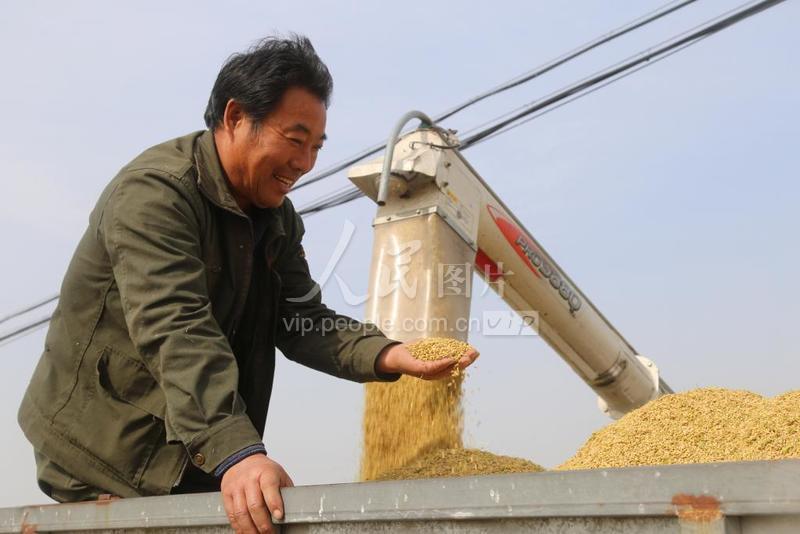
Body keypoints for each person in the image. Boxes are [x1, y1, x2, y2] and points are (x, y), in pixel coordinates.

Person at [17, 35, 478, 533]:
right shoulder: (155, 194)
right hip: (104, 447)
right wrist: (237, 452)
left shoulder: (278, 220)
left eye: (316, 147)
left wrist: (389, 354)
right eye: (295, 139)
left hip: (191, 451)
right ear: (236, 117)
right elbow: (175, 328)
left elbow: (303, 320)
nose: (305, 162)